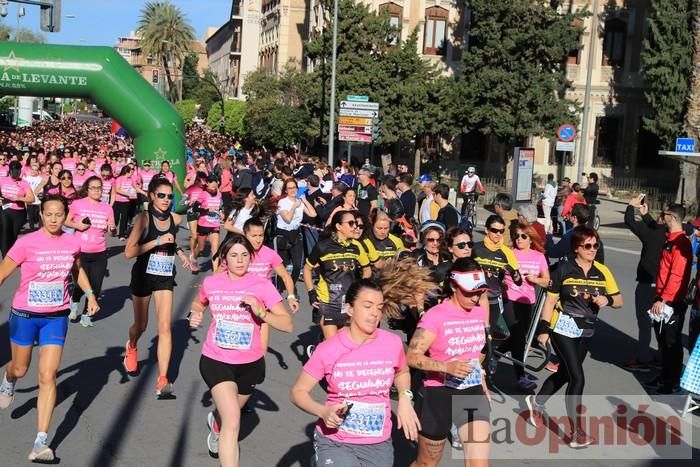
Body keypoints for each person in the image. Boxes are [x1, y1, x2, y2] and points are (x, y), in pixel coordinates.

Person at [0, 195, 100, 462]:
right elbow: (2, 273)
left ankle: (40, 442)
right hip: (24, 314)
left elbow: (77, 269)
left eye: (59, 214)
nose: (54, 219)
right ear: (41, 215)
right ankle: (8, 380)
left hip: (56, 316)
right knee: (20, 368)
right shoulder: (26, 243)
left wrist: (90, 294)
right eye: (49, 214)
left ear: (65, 215)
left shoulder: (72, 242)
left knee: (48, 375)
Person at [290, 279, 420, 467]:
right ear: (350, 309)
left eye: (379, 307)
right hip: (335, 440)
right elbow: (297, 392)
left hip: (378, 443)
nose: (375, 313)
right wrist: (323, 411)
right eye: (367, 306)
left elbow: (402, 371)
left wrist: (405, 398)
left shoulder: (392, 343)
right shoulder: (328, 349)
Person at [188, 234, 293, 465]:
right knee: (234, 420)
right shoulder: (212, 282)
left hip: (250, 363)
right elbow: (199, 302)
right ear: (224, 258)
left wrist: (261, 312)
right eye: (234, 255)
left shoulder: (262, 286)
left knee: (229, 415)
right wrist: (195, 313)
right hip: (216, 359)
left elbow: (287, 324)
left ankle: (216, 422)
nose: (240, 260)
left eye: (245, 255)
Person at [527, 226, 623, 448]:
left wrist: (608, 301)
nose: (592, 249)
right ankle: (576, 433)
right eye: (587, 245)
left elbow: (619, 301)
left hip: (586, 331)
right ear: (576, 248)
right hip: (562, 329)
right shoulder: (564, 269)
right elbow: (550, 301)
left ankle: (537, 402)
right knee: (578, 378)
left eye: (595, 245)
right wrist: (543, 329)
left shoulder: (602, 271)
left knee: (565, 374)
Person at [407, 258, 491, 467]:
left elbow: (477, 354)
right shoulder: (435, 316)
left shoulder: (479, 312)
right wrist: (447, 367)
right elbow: (412, 356)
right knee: (426, 464)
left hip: (471, 393)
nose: (475, 298)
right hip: (439, 395)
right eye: (470, 292)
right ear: (453, 286)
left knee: (479, 464)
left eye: (479, 292)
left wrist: (482, 382)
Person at [123, 177, 190, 397]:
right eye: (161, 195)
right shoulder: (143, 218)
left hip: (164, 275)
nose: (166, 200)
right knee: (141, 326)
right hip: (143, 274)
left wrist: (180, 254)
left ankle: (163, 380)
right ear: (151, 196)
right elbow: (129, 252)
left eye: (170, 196)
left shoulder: (176, 218)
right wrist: (157, 242)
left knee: (165, 327)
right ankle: (131, 345)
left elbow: (172, 240)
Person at [304, 210, 371, 349]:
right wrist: (311, 292)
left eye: (357, 223)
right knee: (335, 348)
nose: (355, 227)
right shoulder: (323, 246)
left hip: (347, 304)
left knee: (346, 345)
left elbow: (367, 269)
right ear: (339, 226)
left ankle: (320, 348)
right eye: (351, 223)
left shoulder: (356, 247)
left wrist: (360, 289)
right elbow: (307, 269)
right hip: (327, 302)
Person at [648, 204, 692, 394]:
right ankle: (665, 376)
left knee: (671, 342)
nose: (661, 217)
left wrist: (664, 299)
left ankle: (672, 381)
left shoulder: (681, 243)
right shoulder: (670, 239)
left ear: (671, 218)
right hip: (662, 297)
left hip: (671, 301)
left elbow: (677, 275)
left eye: (664, 215)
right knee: (662, 339)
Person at [501, 221, 549, 391]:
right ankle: (520, 376)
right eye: (516, 236)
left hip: (527, 301)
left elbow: (547, 281)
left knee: (517, 338)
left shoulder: (538, 256)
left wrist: (535, 279)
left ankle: (491, 355)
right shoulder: (508, 253)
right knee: (517, 336)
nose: (519, 239)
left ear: (531, 239)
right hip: (509, 299)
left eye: (523, 236)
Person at [64, 176, 116, 327]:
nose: (96, 191)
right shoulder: (78, 204)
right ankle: (74, 302)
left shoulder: (107, 207)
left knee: (96, 285)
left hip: (100, 251)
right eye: (93, 188)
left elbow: (111, 227)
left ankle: (87, 314)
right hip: (81, 251)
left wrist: (112, 228)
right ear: (87, 189)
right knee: (81, 284)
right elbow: (66, 220)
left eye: (99, 188)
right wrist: (77, 226)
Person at [623, 194, 664, 372]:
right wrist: (647, 216)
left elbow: (632, 223)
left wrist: (631, 207)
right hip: (663, 286)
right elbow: (655, 227)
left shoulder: (652, 236)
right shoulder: (675, 235)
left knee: (645, 322)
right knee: (661, 324)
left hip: (648, 284)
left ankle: (643, 358)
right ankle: (662, 357)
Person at [473, 215, 522, 337]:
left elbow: (519, 281)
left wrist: (512, 271)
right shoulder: (475, 248)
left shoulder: (507, 252)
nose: (498, 234)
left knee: (486, 336)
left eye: (501, 231)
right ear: (486, 230)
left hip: (493, 300)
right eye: (494, 230)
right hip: (473, 298)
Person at [276, 179, 317, 283]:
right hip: (283, 234)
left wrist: (305, 200)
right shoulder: (282, 202)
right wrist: (294, 207)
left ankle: (292, 286)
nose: (292, 190)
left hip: (296, 234)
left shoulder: (300, 202)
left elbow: (313, 214)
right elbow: (288, 219)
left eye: (294, 187)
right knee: (283, 265)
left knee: (298, 266)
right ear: (286, 190)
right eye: (289, 188)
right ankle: (280, 287)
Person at [0, 161, 34, 256]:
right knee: (4, 231)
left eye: (18, 170)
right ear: (10, 170)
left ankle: (11, 255)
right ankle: (5, 256)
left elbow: (31, 199)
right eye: (14, 170)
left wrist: (19, 198)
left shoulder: (24, 183)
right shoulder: (2, 180)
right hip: (4, 210)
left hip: (18, 212)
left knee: (13, 235)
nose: (16, 172)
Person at [192, 174, 223, 272]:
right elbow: (194, 208)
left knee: (215, 249)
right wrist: (206, 209)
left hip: (215, 224)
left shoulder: (219, 194)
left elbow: (219, 206)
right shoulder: (203, 194)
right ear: (208, 184)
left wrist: (221, 213)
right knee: (201, 248)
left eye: (216, 184)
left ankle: (215, 273)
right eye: (212, 184)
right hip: (203, 224)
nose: (214, 186)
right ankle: (194, 257)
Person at [113, 165, 135, 241]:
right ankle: (112, 229)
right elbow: (117, 190)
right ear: (127, 172)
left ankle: (121, 235)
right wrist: (127, 194)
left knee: (124, 218)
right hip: (118, 201)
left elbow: (135, 187)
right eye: (131, 172)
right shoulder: (119, 179)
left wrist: (143, 192)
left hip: (126, 202)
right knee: (116, 218)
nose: (132, 173)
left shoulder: (131, 179)